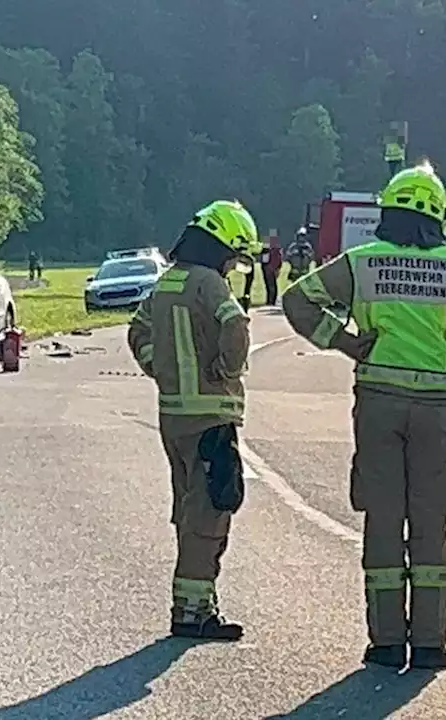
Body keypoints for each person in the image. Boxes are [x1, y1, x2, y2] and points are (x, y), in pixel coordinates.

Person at [280, 162, 446, 671]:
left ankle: (384, 642)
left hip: (377, 403)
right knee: (429, 520)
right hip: (437, 412)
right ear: (439, 216)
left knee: (382, 518)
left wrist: (348, 342)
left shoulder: (362, 261)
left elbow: (297, 301)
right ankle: (428, 644)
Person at [127, 200, 264, 640]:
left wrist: (158, 367)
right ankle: (192, 611)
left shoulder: (167, 282)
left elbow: (137, 331)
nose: (233, 266)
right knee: (210, 512)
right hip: (211, 417)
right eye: (234, 256)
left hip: (172, 416)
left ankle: (194, 603)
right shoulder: (209, 283)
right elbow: (236, 326)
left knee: (188, 507)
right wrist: (227, 368)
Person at [263, 234, 283, 305]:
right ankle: (271, 301)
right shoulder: (275, 249)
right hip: (271, 269)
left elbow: (264, 261)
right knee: (271, 286)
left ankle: (271, 301)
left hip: (269, 269)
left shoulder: (269, 249)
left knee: (270, 286)